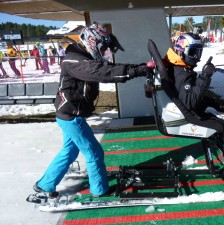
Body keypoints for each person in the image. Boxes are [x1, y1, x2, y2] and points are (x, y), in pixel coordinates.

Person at [33, 22, 153, 198]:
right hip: (71, 117)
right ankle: (99, 190)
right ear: (92, 42)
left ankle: (45, 185)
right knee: (94, 152)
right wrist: (138, 71)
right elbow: (103, 73)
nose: (106, 54)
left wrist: (140, 68)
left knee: (70, 150)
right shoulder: (75, 61)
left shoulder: (81, 58)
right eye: (104, 49)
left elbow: (107, 69)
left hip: (70, 114)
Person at [163, 33, 224, 183]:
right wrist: (204, 77)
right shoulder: (182, 73)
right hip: (189, 115)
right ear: (182, 51)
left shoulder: (180, 68)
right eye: (193, 53)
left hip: (188, 110)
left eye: (199, 52)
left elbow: (192, 97)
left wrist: (213, 102)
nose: (197, 57)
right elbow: (190, 102)